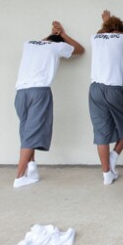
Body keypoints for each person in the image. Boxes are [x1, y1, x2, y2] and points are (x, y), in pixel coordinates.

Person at [13, 21, 84, 188]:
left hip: (20, 92)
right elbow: (80, 50)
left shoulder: (29, 44)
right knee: (32, 134)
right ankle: (19, 177)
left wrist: (53, 33)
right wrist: (64, 35)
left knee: (26, 131)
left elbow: (43, 41)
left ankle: (31, 168)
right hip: (39, 92)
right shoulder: (57, 47)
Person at [89, 10, 123, 186]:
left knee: (101, 131)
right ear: (122, 29)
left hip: (94, 89)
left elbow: (102, 33)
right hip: (115, 88)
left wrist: (106, 22)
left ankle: (106, 173)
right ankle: (114, 155)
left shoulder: (95, 37)